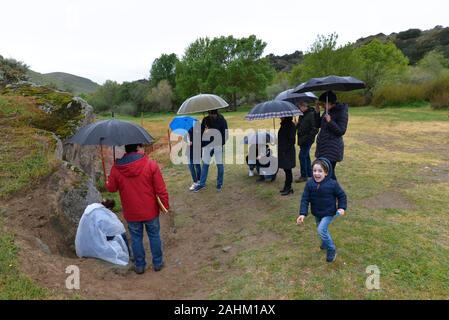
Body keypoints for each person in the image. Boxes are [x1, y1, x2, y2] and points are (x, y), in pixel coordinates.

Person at [106, 143, 169, 274]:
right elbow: (161, 189)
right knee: (154, 235)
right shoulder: (151, 164)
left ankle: (140, 266)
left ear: (125, 149)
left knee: (136, 238)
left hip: (131, 212)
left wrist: (108, 179)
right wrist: (165, 206)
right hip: (150, 210)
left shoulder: (117, 168)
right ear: (138, 147)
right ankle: (157, 263)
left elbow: (111, 188)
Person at [296, 158, 347, 263]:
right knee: (321, 229)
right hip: (317, 212)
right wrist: (302, 214)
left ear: (326, 173)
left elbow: (342, 195)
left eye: (320, 171)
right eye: (314, 171)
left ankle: (331, 249)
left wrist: (342, 207)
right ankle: (325, 242)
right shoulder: (310, 184)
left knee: (321, 229)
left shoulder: (333, 184)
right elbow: (305, 199)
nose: (317, 173)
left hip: (329, 212)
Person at [75, 199, 130, 266]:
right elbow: (114, 228)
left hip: (86, 239)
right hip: (95, 238)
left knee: (118, 233)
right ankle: (129, 254)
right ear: (109, 208)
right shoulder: (101, 213)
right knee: (121, 234)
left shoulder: (91, 209)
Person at [314, 91, 349, 180]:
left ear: (329, 103)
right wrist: (317, 112)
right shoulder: (326, 111)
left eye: (323, 103)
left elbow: (341, 131)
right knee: (327, 172)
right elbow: (318, 125)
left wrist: (330, 121)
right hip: (323, 146)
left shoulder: (341, 112)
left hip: (332, 148)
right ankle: (330, 191)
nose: (322, 106)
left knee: (329, 172)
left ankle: (335, 191)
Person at [194, 109, 228, 192]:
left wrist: (219, 143)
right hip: (207, 146)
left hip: (218, 146)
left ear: (216, 113)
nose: (212, 116)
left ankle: (219, 183)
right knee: (205, 165)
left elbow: (226, 135)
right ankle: (202, 184)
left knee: (219, 165)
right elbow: (200, 133)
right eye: (210, 114)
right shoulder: (205, 120)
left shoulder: (222, 120)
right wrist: (204, 132)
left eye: (213, 115)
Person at [295, 101, 318, 183]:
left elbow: (315, 129)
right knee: (306, 156)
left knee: (302, 156)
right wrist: (296, 124)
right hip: (302, 139)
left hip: (307, 140)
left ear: (305, 106)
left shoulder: (311, 114)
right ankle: (309, 173)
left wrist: (308, 138)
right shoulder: (302, 115)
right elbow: (301, 126)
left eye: (299, 107)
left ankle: (304, 175)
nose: (299, 109)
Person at [278, 117, 296, 196]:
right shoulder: (284, 124)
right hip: (283, 150)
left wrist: (285, 149)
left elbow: (292, 140)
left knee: (288, 169)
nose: (280, 117)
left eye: (281, 116)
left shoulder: (290, 125)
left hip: (287, 151)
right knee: (286, 169)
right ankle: (287, 186)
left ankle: (288, 187)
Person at [186, 123, 202, 191]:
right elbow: (186, 139)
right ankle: (195, 182)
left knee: (197, 166)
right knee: (191, 166)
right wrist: (188, 140)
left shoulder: (199, 129)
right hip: (189, 151)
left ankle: (199, 181)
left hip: (196, 150)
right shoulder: (187, 129)